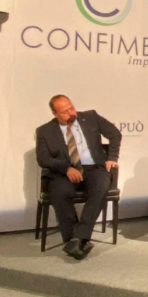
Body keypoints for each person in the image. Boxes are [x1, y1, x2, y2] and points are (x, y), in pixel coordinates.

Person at [35, 95, 122, 260]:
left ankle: (79, 238)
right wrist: (66, 168)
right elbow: (43, 159)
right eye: (64, 112)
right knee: (59, 192)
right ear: (54, 113)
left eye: (71, 108)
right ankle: (74, 240)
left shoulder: (91, 117)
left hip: (93, 168)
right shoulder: (44, 131)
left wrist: (112, 157)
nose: (71, 113)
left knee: (102, 186)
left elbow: (115, 134)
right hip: (64, 171)